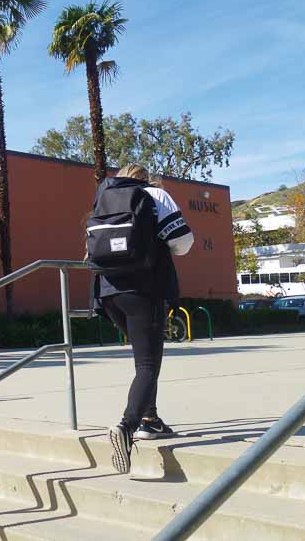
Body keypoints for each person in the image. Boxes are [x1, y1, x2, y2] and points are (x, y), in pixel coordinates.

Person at [90, 164, 194, 474]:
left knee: (143, 360)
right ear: (145, 178)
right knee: (148, 365)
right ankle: (127, 427)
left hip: (106, 294)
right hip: (143, 290)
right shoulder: (155, 195)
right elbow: (183, 241)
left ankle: (151, 420)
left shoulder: (103, 199)